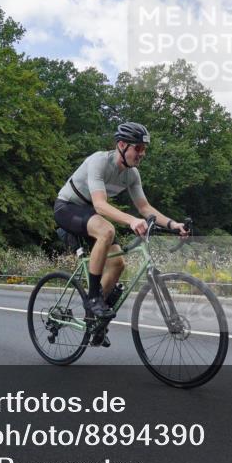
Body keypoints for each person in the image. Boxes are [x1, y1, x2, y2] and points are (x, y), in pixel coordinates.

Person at [54, 122, 189, 345]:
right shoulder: (99, 161)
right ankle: (93, 298)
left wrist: (173, 224)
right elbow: (99, 204)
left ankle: (93, 318)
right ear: (122, 145)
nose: (142, 154)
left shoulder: (132, 175)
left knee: (118, 264)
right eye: (138, 148)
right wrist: (131, 220)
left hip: (90, 213)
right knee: (107, 229)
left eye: (144, 149)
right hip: (67, 207)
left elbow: (145, 208)